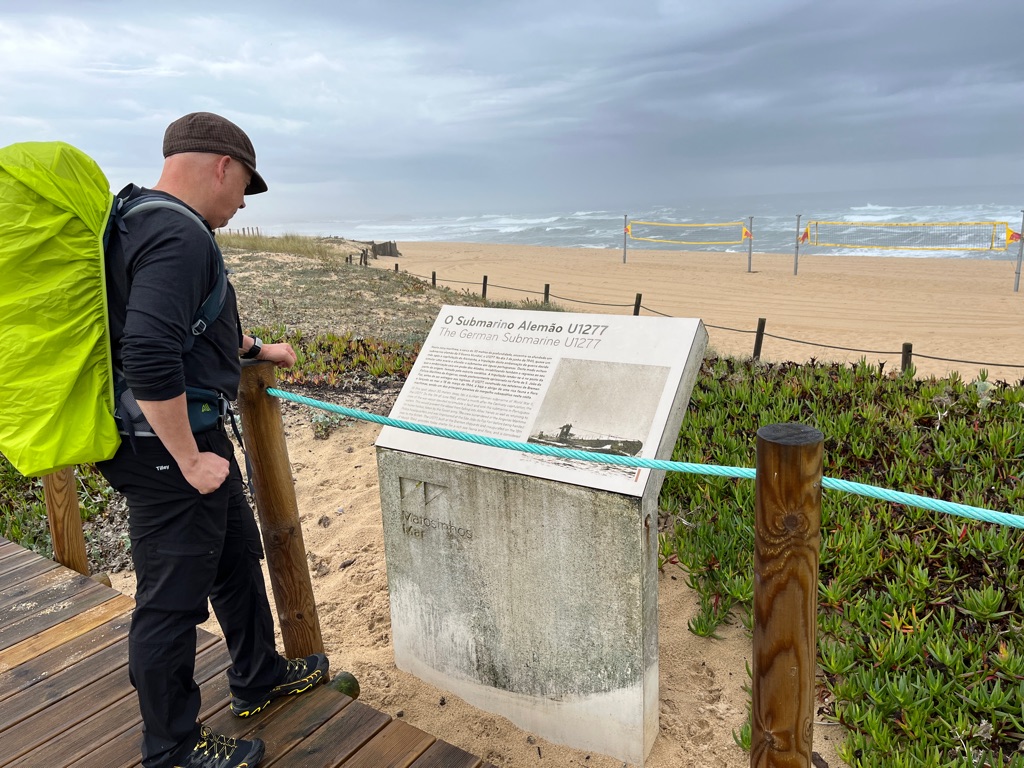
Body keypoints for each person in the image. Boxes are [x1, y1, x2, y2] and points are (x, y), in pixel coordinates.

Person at [98, 112, 331, 768]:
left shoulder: (138, 218)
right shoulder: (180, 233)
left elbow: (183, 323)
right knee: (171, 600)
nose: (242, 204)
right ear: (223, 166)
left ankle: (258, 677)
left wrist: (254, 350)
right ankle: (172, 747)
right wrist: (188, 458)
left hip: (181, 439)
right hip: (169, 449)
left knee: (234, 557)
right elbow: (148, 351)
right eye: (245, 187)